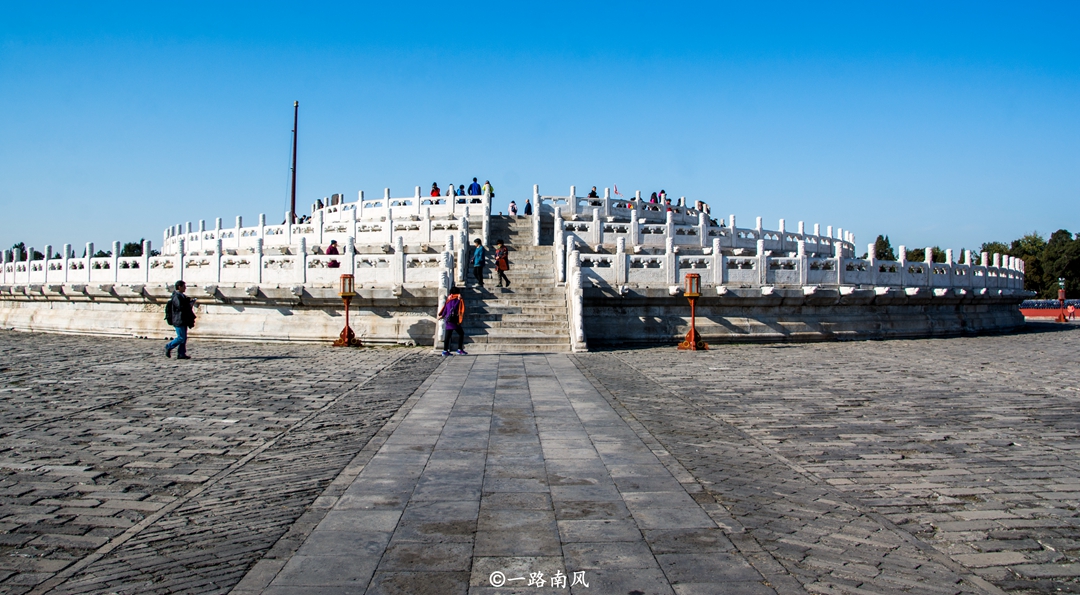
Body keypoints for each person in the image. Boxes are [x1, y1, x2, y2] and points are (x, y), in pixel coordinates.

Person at [164, 280, 196, 360]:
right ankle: (169, 346)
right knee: (181, 337)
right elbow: (180, 307)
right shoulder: (176, 296)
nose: (185, 288)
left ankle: (181, 353)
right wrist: (189, 305)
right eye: (184, 286)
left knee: (184, 338)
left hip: (183, 319)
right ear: (179, 287)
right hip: (178, 319)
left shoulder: (181, 295)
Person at [438, 287, 467, 356]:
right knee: (461, 333)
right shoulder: (456, 299)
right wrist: (459, 300)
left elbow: (445, 308)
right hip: (453, 320)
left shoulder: (449, 299)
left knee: (448, 336)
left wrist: (442, 315)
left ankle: (445, 351)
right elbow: (454, 307)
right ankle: (459, 349)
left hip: (448, 319)